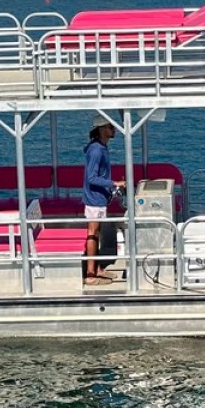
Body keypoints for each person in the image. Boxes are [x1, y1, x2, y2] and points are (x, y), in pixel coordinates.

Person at [82, 114, 124, 285]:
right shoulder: (97, 151)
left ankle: (96, 268)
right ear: (101, 129)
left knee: (96, 233)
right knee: (92, 233)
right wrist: (113, 183)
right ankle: (91, 274)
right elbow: (91, 177)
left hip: (98, 198)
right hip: (94, 199)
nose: (113, 130)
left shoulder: (100, 148)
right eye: (109, 127)